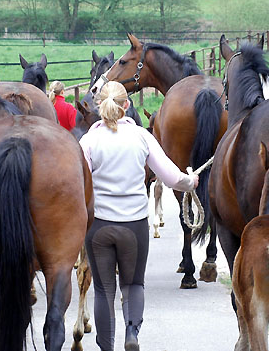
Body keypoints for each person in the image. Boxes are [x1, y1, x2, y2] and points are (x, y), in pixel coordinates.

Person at [79, 81, 199, 351]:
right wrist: (190, 181)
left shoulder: (88, 140)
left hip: (98, 227)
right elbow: (170, 177)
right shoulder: (142, 138)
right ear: (127, 105)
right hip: (133, 227)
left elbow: (78, 182)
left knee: (103, 290)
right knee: (133, 285)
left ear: (99, 106)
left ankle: (106, 346)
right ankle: (131, 332)